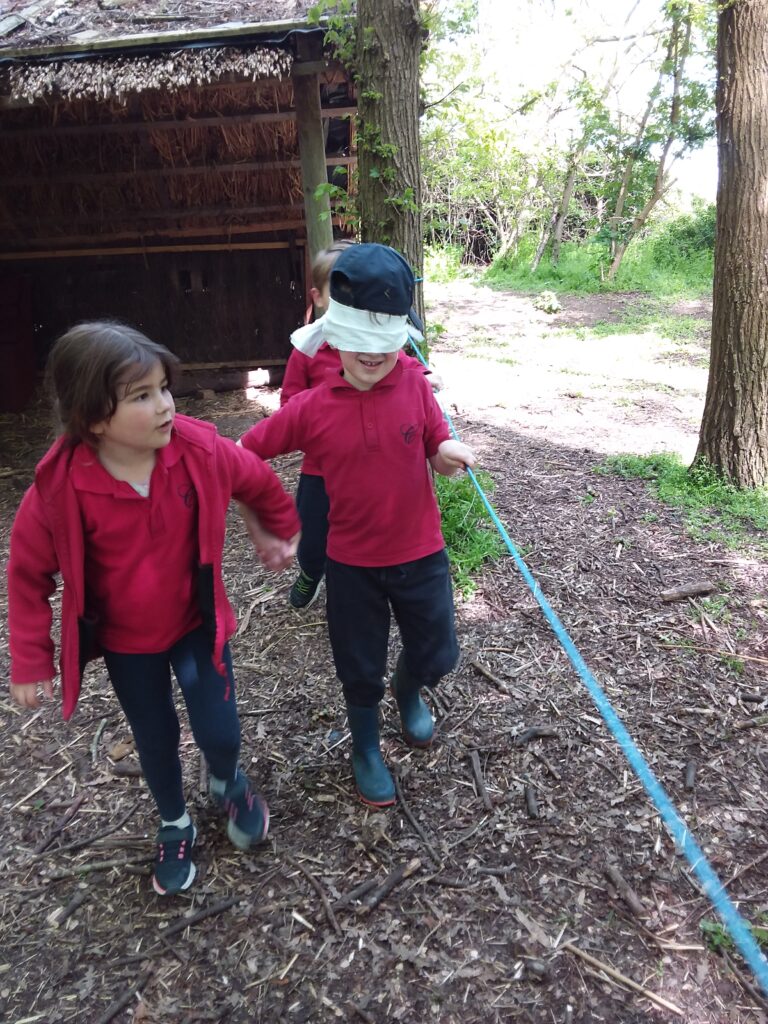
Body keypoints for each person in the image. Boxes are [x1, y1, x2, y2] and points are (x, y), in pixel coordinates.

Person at [7, 322, 300, 896]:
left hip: (197, 627)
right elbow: (27, 573)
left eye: (164, 388)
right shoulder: (61, 488)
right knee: (155, 734)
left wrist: (279, 531)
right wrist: (30, 658)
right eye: (142, 396)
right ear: (93, 418)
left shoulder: (197, 450)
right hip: (126, 643)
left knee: (220, 728)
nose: (166, 405)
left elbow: (258, 480)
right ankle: (174, 819)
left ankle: (226, 780)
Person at [240, 243, 475, 807]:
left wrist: (446, 453)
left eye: (384, 346)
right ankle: (365, 745)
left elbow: (434, 442)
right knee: (358, 662)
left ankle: (410, 687)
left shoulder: (416, 384)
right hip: (351, 562)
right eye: (359, 345)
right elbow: (245, 454)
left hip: (420, 551)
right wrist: (260, 518)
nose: (372, 358)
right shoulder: (312, 407)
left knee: (439, 650)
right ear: (334, 337)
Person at [281, 239, 441, 611]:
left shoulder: (378, 348)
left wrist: (425, 376)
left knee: (362, 531)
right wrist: (317, 423)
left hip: (373, 464)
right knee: (313, 533)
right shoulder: (307, 351)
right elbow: (289, 403)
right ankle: (310, 571)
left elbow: (405, 366)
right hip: (323, 467)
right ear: (320, 297)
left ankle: (354, 592)